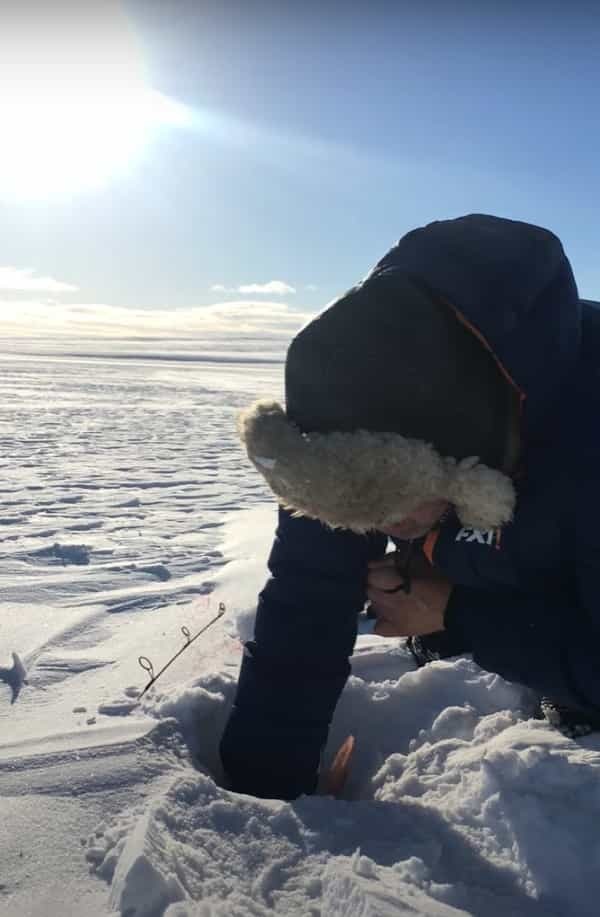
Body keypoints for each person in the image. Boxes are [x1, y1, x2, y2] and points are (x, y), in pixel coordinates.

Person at [219, 213, 600, 801]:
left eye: (398, 510)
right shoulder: (360, 401)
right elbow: (308, 590)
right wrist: (262, 785)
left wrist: (461, 614)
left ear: (468, 456)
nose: (382, 531)